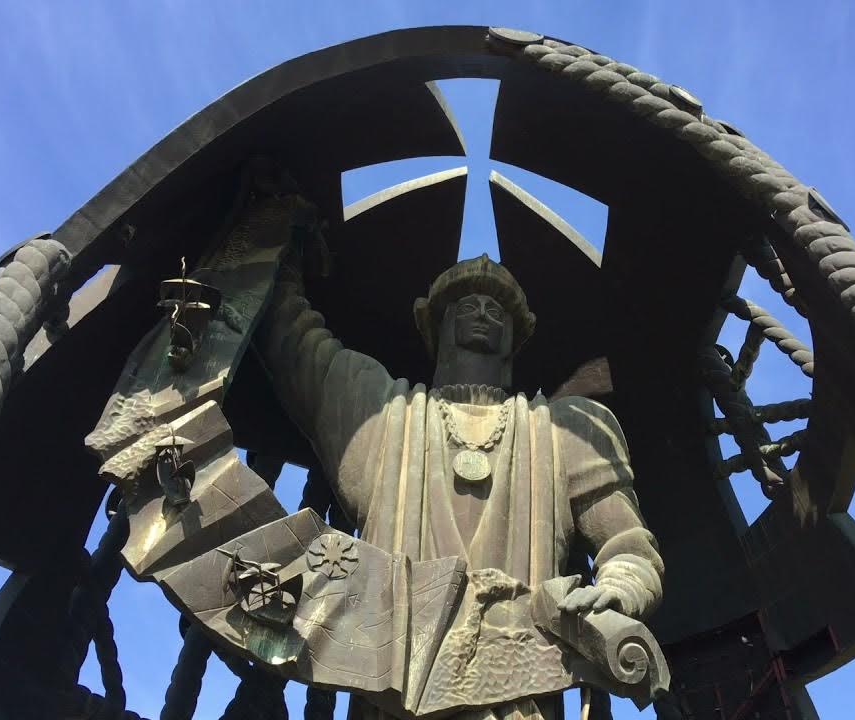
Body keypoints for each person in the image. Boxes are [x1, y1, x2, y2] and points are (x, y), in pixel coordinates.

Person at [258, 250, 663, 720]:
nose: (483, 313)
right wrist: (274, 246)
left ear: (516, 336)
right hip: (393, 695)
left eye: (497, 309)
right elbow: (295, 343)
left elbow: (628, 545)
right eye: (465, 305)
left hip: (518, 694)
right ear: (436, 325)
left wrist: (619, 588)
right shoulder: (382, 413)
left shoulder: (566, 432)